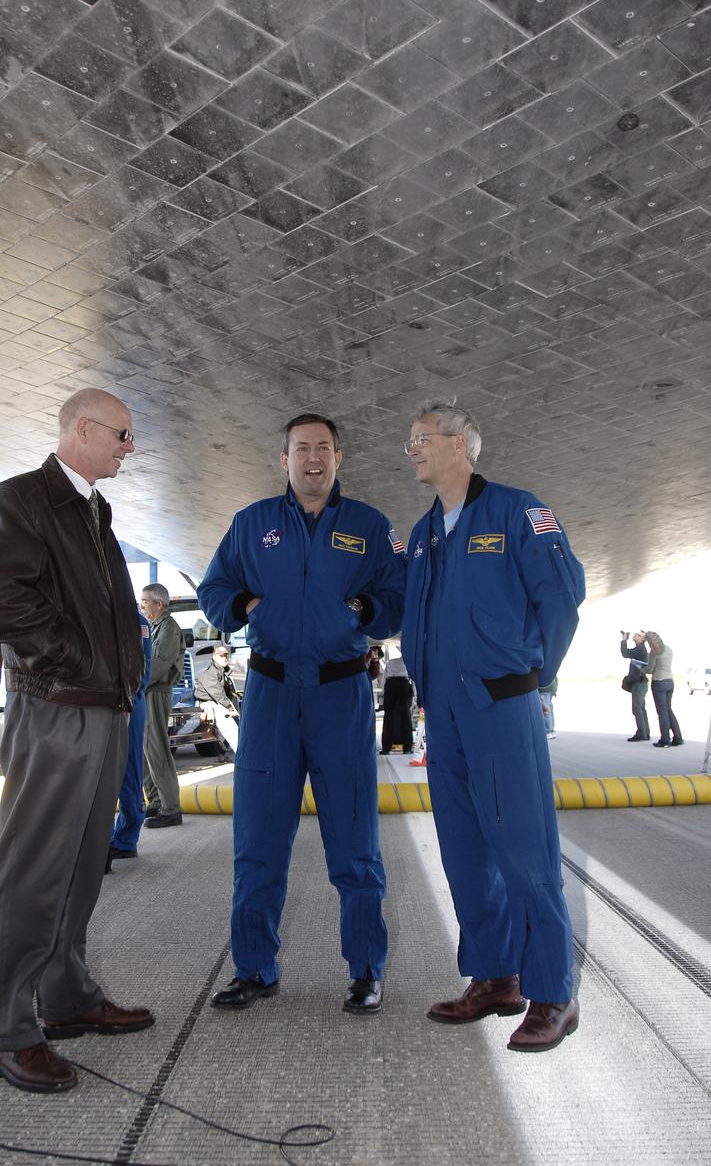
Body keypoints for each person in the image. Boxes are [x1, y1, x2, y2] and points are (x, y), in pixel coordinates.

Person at [0, 388, 153, 1095]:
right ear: (84, 429)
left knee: (80, 864)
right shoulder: (22, 499)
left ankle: (66, 994)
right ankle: (12, 1032)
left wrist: (117, 677)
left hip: (103, 709)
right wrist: (76, 664)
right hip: (58, 709)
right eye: (123, 435)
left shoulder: (92, 508)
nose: (129, 449)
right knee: (32, 869)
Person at [198, 413, 406, 1015]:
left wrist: (364, 607)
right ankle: (254, 969)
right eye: (300, 449)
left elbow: (396, 601)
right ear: (282, 459)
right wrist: (244, 603)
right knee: (258, 841)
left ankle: (367, 970)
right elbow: (215, 590)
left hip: (340, 697)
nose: (312, 458)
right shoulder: (251, 524)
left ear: (339, 458)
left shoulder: (370, 526)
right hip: (268, 698)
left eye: (323, 448)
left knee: (355, 844)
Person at [401, 401, 585, 1054]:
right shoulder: (424, 534)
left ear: (459, 444)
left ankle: (554, 993)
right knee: (465, 852)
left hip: (501, 709)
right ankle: (495, 977)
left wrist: (531, 677)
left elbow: (563, 597)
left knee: (527, 855)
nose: (411, 449)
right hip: (444, 717)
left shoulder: (516, 510)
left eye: (420, 439)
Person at [108, 611, 152, 864]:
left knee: (128, 770)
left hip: (129, 704)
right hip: (109, 704)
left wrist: (128, 701)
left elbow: (141, 665)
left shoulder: (136, 620)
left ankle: (126, 838)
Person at [140, 583, 186, 829]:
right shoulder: (152, 627)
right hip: (146, 691)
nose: (142, 605)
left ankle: (171, 808)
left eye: (145, 601)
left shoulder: (168, 628)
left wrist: (135, 684)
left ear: (159, 604)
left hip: (155, 692)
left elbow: (157, 664)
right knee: (146, 751)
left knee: (156, 749)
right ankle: (156, 802)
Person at [194, 644, 240, 754]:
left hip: (214, 702)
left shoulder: (220, 671)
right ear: (214, 657)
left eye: (226, 656)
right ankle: (241, 753)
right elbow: (217, 694)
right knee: (229, 724)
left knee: (233, 726)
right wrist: (230, 708)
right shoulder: (211, 673)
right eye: (221, 656)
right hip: (209, 702)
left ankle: (241, 752)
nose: (225, 658)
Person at [645, 631, 683, 748]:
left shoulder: (653, 653)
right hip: (670, 681)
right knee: (668, 709)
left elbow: (650, 670)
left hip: (659, 682)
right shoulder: (669, 649)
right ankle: (677, 737)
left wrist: (643, 668)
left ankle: (665, 739)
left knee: (662, 712)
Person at [380, 650, 414, 754]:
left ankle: (386, 748)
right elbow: (413, 678)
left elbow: (384, 679)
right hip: (404, 683)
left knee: (388, 716)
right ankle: (407, 748)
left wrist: (384, 690)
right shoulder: (409, 662)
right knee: (406, 716)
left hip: (390, 684)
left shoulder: (391, 662)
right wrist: (415, 695)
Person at [620, 631, 650, 742]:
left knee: (637, 709)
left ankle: (642, 733)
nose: (635, 635)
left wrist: (624, 640)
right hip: (641, 683)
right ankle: (645, 732)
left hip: (639, 684)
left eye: (638, 635)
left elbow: (625, 653)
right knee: (641, 709)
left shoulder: (640, 649)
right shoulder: (640, 649)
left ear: (642, 639)